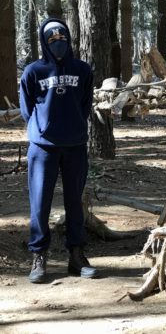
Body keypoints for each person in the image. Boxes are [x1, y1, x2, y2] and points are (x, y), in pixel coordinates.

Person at [19, 18, 98, 283]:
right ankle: (39, 256)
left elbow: (85, 105)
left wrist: (72, 125)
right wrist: (43, 129)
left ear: (68, 39)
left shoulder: (83, 70)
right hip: (43, 148)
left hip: (75, 146)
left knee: (75, 202)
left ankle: (76, 256)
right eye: (52, 40)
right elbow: (26, 109)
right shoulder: (33, 71)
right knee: (39, 204)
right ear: (44, 42)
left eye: (62, 38)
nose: (58, 43)